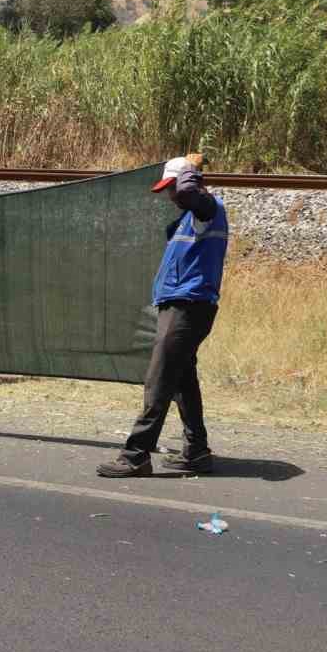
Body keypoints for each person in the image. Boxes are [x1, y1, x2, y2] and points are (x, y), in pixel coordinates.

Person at [97, 153, 228, 477]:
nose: (170, 195)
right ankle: (197, 451)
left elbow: (187, 193)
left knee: (159, 381)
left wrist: (187, 169)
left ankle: (136, 456)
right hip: (182, 306)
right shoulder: (191, 216)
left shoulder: (206, 209)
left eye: (172, 186)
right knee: (183, 381)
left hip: (188, 308)